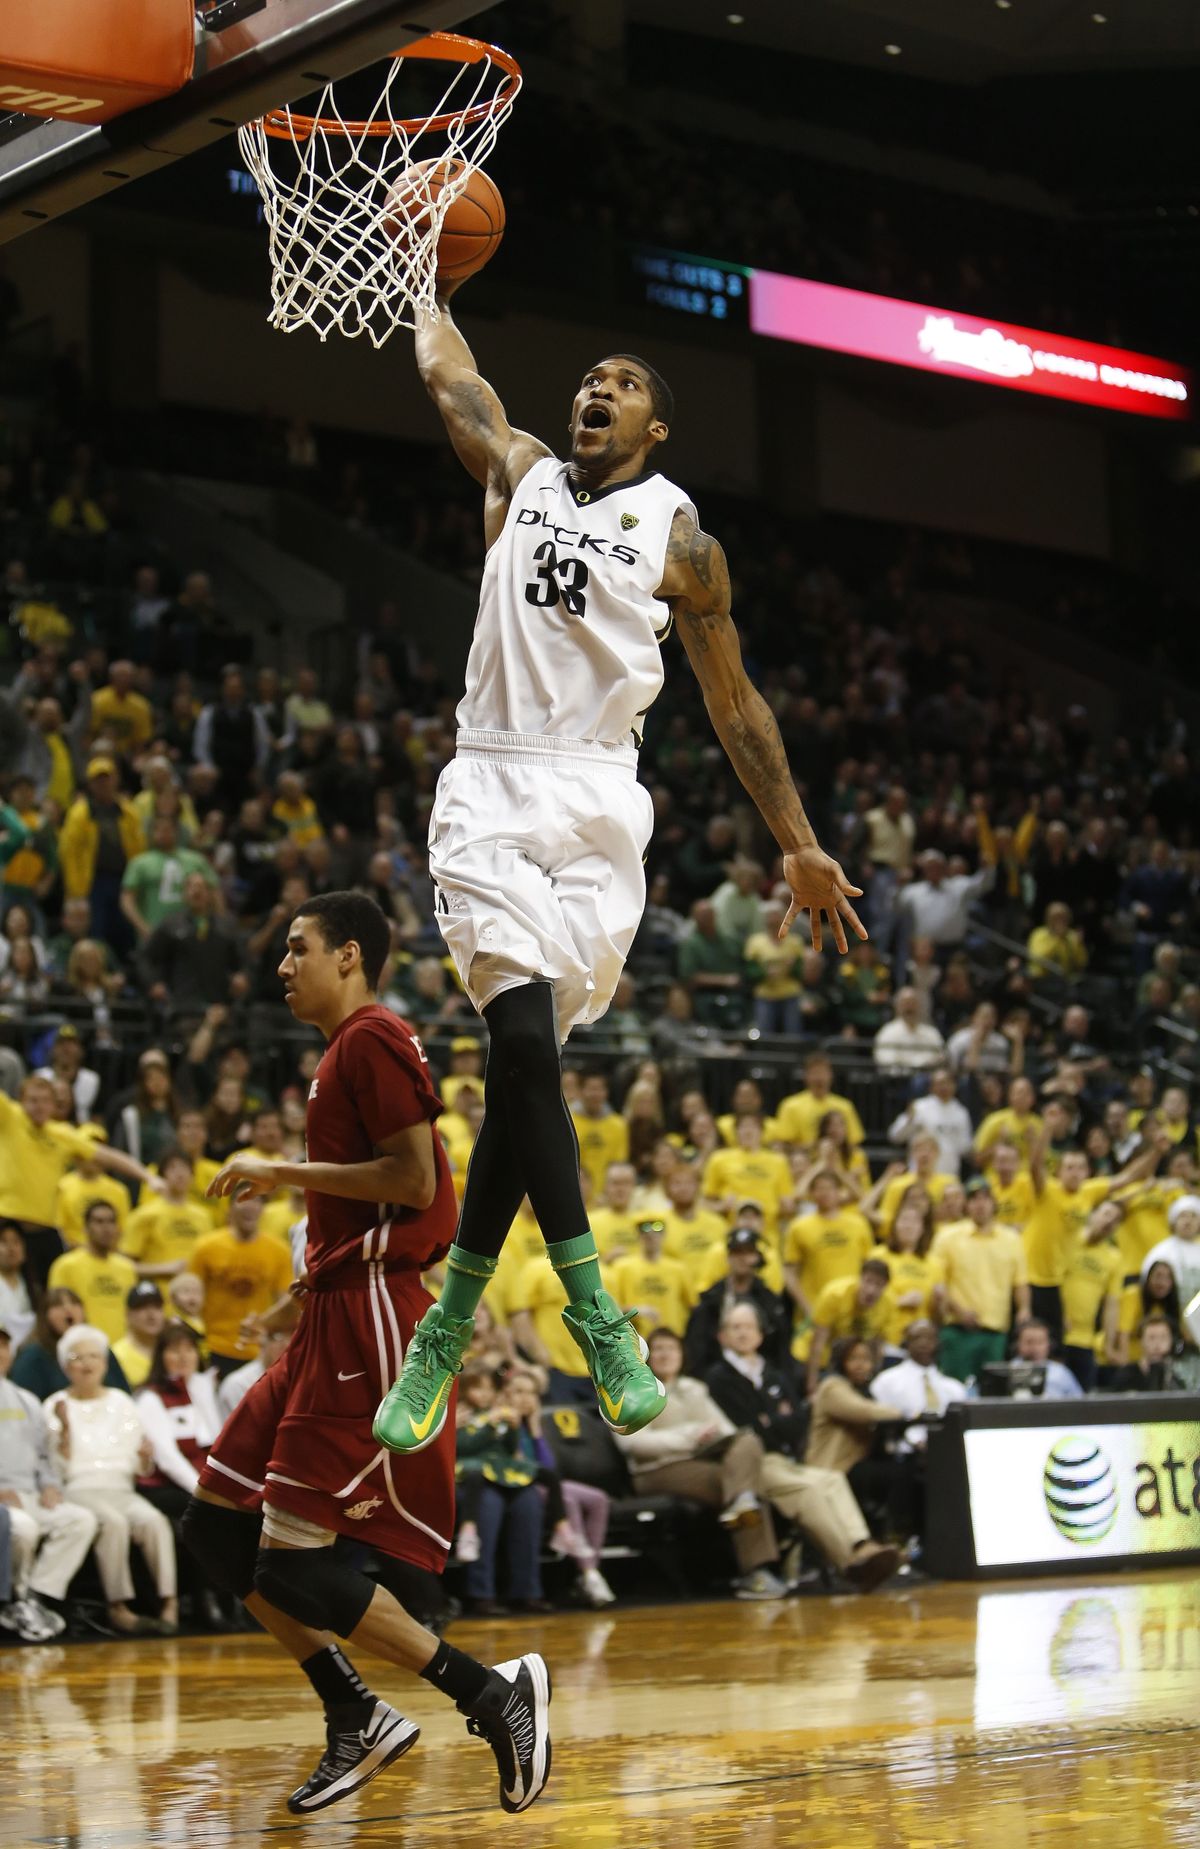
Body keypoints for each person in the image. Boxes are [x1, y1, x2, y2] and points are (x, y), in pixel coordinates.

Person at [375, 301, 866, 1457]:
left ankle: (445, 1321)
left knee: (523, 1068)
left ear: (655, 427)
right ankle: (599, 1319)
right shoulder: (522, 473)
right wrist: (423, 285)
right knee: (525, 1049)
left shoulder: (681, 541)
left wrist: (793, 835)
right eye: (589, 378)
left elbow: (733, 700)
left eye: (623, 383)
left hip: (601, 801)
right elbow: (455, 379)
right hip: (493, 786)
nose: (596, 390)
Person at [184, 892, 552, 1817]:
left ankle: (491, 1695)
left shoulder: (374, 1036)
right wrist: (302, 1290)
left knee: (294, 1565)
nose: (282, 963)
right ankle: (357, 1711)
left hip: (377, 1323)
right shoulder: (342, 1051)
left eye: (297, 947)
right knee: (217, 1531)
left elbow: (415, 1180)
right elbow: (377, 1206)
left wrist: (281, 1172)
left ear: (350, 955)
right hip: (332, 1312)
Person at [705, 1307, 901, 1589]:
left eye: (748, 1327)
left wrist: (770, 1421)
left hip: (785, 1459)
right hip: (750, 1465)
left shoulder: (774, 1374)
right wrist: (777, 1419)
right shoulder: (717, 1379)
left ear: (760, 1335)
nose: (743, 1333)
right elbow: (747, 1431)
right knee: (808, 1491)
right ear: (722, 1336)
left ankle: (862, 1545)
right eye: (735, 1327)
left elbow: (799, 1422)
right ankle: (848, 1563)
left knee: (831, 1479)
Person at [617, 1327, 789, 1601]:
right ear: (646, 1355)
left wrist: (712, 1436)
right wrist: (691, 1437)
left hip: (701, 1461)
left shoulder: (695, 1388)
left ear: (682, 1355)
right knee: (743, 1483)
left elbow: (726, 1429)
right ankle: (756, 1571)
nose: (665, 1354)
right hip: (656, 1470)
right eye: (658, 1348)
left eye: (672, 1348)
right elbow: (633, 1444)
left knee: (747, 1441)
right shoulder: (631, 1389)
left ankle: (742, 1501)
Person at [45, 1323, 178, 1635]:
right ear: (66, 1365)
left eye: (94, 1356)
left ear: (105, 1362)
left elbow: (137, 1463)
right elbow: (56, 1467)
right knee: (114, 1523)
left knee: (153, 1521)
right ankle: (118, 1607)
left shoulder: (121, 1401)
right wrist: (64, 1433)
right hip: (81, 1489)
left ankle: (169, 1603)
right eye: (78, 1357)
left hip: (120, 1486)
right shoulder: (55, 1405)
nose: (88, 1363)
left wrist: (145, 1458)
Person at [0, 1074, 161, 1286]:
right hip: (8, 1225)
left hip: (46, 1230)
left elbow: (108, 1156)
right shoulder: (10, 1117)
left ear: (53, 1105)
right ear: (21, 1101)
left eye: (46, 1101)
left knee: (49, 1295)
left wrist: (148, 1176)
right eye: (33, 1100)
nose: (39, 1106)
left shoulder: (61, 1133)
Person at [0, 1323, 97, 1640]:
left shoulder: (26, 1400)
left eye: (3, 1346)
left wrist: (50, 1485)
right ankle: (15, 1599)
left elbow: (43, 1455)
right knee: (23, 1529)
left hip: (31, 1493)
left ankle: (34, 1597)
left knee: (80, 1520)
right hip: (4, 1500)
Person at [134, 1321, 227, 1628]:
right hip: (165, 1484)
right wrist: (202, 1490)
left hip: (203, 1480)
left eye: (189, 1349)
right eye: (174, 1350)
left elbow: (217, 1440)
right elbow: (167, 1457)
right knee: (204, 1515)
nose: (183, 1356)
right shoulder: (151, 1397)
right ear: (161, 1355)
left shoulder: (203, 1390)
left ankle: (235, 1598)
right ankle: (205, 1599)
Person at [806, 1338, 914, 1542]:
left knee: (908, 1468)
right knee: (897, 1474)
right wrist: (904, 1413)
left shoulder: (866, 1390)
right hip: (832, 1468)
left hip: (855, 1464)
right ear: (841, 1362)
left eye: (866, 1359)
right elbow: (862, 1411)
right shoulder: (832, 1387)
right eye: (853, 1358)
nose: (860, 1365)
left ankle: (898, 1536)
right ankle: (893, 1535)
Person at [935, 1179, 1031, 1382]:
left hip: (995, 1332)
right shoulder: (947, 1236)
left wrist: (1024, 1309)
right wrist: (959, 1311)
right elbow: (937, 1284)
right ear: (966, 1205)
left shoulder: (1012, 1239)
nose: (980, 1204)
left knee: (991, 1396)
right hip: (957, 1330)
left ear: (994, 1203)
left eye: (986, 1198)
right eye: (974, 1199)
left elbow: (1020, 1282)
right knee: (954, 1391)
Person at [190, 1195, 292, 1379]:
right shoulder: (206, 1247)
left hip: (258, 1350)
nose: (250, 1206)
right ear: (229, 1207)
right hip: (213, 1346)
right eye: (243, 1199)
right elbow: (190, 1297)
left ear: (263, 1209)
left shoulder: (279, 1251)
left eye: (256, 1201)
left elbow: (285, 1302)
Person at [684, 1226, 792, 1377]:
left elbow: (780, 1349)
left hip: (761, 1373)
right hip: (717, 1374)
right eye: (736, 1253)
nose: (742, 1258)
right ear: (728, 1257)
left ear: (757, 1257)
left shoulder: (770, 1302)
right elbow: (697, 1345)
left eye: (748, 1252)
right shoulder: (711, 1300)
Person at [10, 1287, 131, 1399]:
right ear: (45, 1315)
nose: (68, 1309)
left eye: (74, 1303)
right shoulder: (33, 1355)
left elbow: (123, 1391)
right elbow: (22, 1400)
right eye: (58, 1305)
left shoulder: (99, 1348)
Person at [47, 1201, 138, 1344]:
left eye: (111, 1222)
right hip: (85, 1348)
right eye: (99, 1222)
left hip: (123, 1349)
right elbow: (57, 1313)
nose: (106, 1228)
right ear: (86, 1228)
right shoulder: (66, 1265)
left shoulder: (127, 1268)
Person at [868, 1320, 967, 1448]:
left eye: (929, 1338)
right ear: (906, 1342)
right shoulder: (886, 1381)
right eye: (917, 1338)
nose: (923, 1343)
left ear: (937, 1343)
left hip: (948, 1450)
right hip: (903, 1456)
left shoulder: (954, 1388)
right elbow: (880, 1424)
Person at [805, 1258, 893, 1395]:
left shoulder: (887, 1305)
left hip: (856, 1365)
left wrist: (875, 1380)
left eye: (879, 1285)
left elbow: (877, 1346)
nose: (871, 1290)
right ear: (860, 1278)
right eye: (868, 1281)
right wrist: (812, 1385)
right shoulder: (834, 1295)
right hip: (824, 1360)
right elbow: (817, 1343)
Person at [888, 1067, 973, 1178]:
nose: (944, 1087)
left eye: (948, 1082)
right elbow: (895, 1136)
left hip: (949, 1175)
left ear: (955, 1085)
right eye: (940, 1083)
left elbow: (965, 1147)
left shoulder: (961, 1112)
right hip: (919, 1175)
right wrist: (909, 1120)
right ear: (932, 1087)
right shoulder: (919, 1107)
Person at [111, 1281, 166, 1390]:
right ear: (128, 1314)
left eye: (157, 1307)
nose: (151, 1314)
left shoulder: (171, 1351)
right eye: (143, 1307)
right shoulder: (117, 1356)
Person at [1011, 1319, 1083, 1399]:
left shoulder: (1061, 1372)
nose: (1035, 1348)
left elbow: (1079, 1402)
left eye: (1040, 1342)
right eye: (1029, 1342)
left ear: (1049, 1345)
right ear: (1018, 1344)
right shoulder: (1009, 1370)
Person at [1112, 1316, 1187, 1392]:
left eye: (1163, 1338)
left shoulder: (1179, 1375)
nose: (1157, 1345)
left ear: (1171, 1341)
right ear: (1141, 1341)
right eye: (1151, 1338)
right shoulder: (1126, 1375)